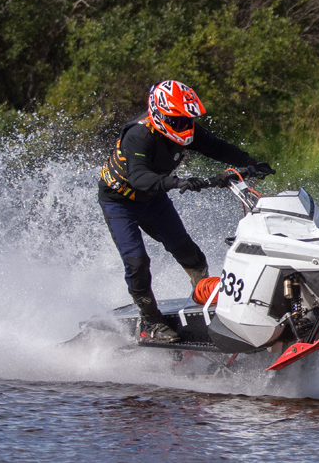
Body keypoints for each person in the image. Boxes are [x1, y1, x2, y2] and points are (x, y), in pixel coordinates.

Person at [98, 80, 275, 343]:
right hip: (119, 201)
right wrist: (178, 182)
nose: (184, 126)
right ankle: (151, 323)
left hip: (153, 197)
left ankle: (204, 304)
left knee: (191, 255)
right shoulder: (139, 135)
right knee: (137, 262)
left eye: (187, 119)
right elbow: (138, 178)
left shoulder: (185, 128)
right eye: (177, 120)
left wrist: (250, 163)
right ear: (159, 114)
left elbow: (217, 147)